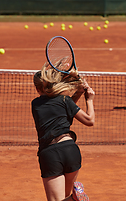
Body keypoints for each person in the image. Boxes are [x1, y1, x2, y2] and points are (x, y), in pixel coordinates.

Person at [31, 63, 95, 201]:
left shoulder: (36, 105)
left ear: (37, 88)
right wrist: (88, 99)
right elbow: (89, 120)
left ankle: (74, 199)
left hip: (51, 154)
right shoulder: (65, 100)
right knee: (64, 198)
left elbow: (59, 109)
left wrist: (77, 93)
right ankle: (73, 197)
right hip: (71, 151)